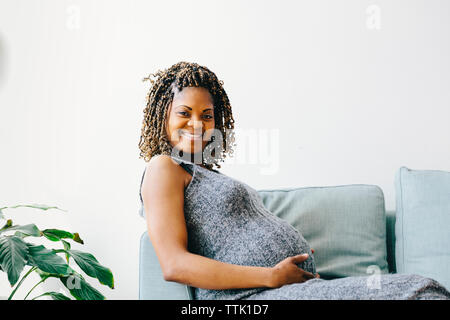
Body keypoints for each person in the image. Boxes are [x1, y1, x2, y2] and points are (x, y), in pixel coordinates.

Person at [138, 61, 450, 300]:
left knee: (422, 287)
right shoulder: (162, 168)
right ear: (162, 115)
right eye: (184, 113)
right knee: (420, 289)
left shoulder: (203, 173)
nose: (198, 123)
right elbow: (174, 264)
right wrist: (270, 275)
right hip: (254, 296)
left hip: (284, 290)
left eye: (207, 115)